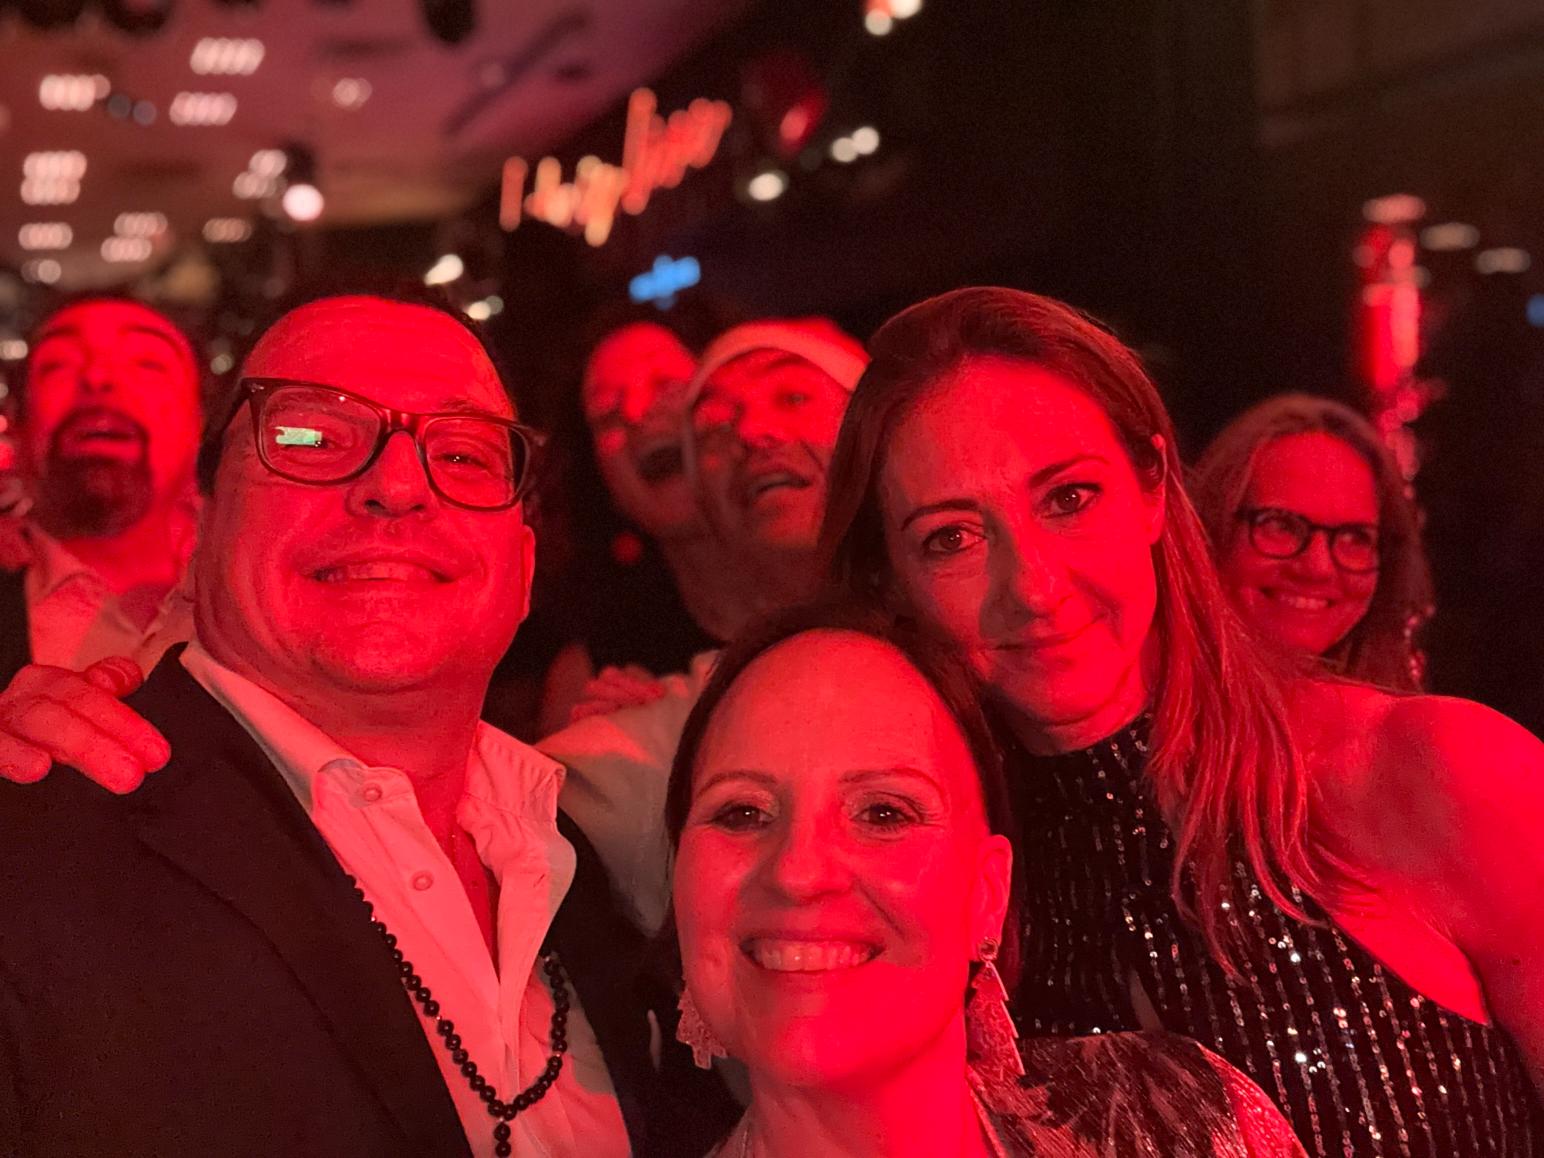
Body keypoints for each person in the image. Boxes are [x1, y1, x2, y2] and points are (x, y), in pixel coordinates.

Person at [0, 293, 732, 1157]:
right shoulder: (34, 853)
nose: (395, 486)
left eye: (460, 454)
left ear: (523, 566)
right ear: (201, 531)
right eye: (310, 438)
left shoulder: (583, 870)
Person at [819, 286, 1544, 1156]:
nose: (1034, 587)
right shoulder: (935, 892)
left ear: (1154, 490)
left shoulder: (1438, 773)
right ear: (891, 582)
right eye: (952, 538)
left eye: (1069, 499)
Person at [666, 602, 1304, 1156]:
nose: (798, 871)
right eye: (741, 813)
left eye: (884, 812)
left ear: (987, 894)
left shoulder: (1177, 1115)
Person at [537, 318, 868, 929]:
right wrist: (622, 763)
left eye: (667, 388)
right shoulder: (603, 666)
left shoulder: (906, 606)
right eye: (607, 415)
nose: (639, 414)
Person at [0, 296, 202, 686]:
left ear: (200, 423)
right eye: (58, 365)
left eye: (147, 363)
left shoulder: (261, 594)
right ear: (18, 423)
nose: (97, 377)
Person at [1190, 393, 1433, 690]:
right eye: (1281, 525)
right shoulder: (1152, 711)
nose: (1317, 568)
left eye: (1354, 537)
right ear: (1211, 528)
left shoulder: (1408, 716)